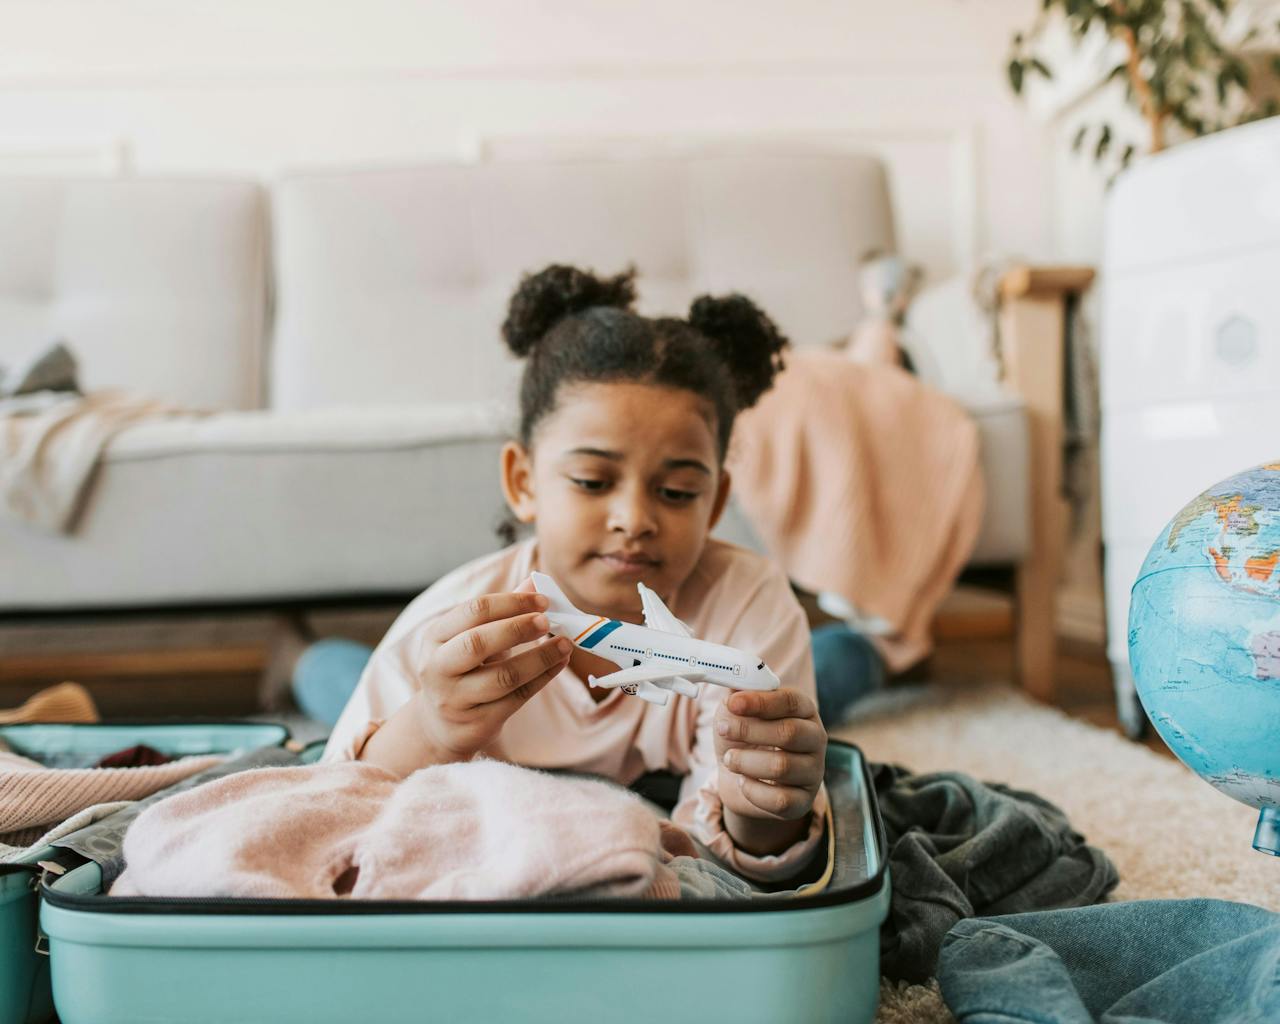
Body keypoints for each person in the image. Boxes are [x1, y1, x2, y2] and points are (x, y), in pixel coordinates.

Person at [317, 264, 828, 880]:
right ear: (523, 482)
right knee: (334, 678)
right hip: (408, 680)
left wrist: (761, 812)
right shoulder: (450, 623)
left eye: (676, 491)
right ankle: (306, 659)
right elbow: (334, 805)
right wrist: (430, 725)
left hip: (724, 686)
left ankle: (857, 656)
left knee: (832, 686)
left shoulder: (749, 605)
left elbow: (731, 869)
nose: (634, 519)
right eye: (592, 482)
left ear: (716, 503)